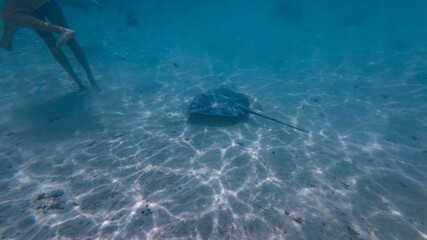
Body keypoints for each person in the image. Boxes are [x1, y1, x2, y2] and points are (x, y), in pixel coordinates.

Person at [0, 0, 99, 90]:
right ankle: (89, 78)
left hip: (27, 8)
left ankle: (79, 82)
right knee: (69, 41)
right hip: (44, 3)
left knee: (53, 44)